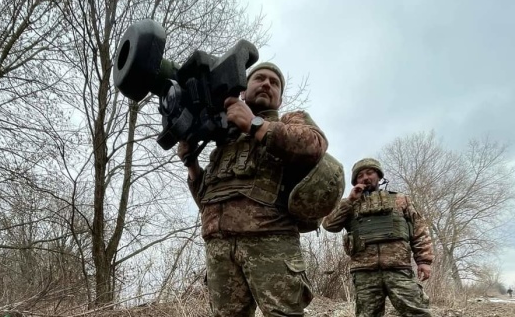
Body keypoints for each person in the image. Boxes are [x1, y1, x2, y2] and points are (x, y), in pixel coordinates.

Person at [177, 62, 329, 316]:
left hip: (271, 239)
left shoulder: (290, 121)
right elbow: (207, 201)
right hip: (218, 247)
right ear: (243, 90)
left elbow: (315, 144)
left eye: (275, 82)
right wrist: (191, 164)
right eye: (259, 78)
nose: (267, 83)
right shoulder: (223, 139)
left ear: (279, 99)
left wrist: (256, 125)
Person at [321, 158, 434, 317]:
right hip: (364, 273)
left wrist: (424, 261)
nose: (365, 178)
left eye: (370, 173)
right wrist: (350, 200)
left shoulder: (400, 199)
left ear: (379, 176)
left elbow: (419, 229)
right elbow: (329, 225)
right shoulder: (349, 204)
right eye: (360, 175)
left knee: (418, 313)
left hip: (398, 269)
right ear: (355, 181)